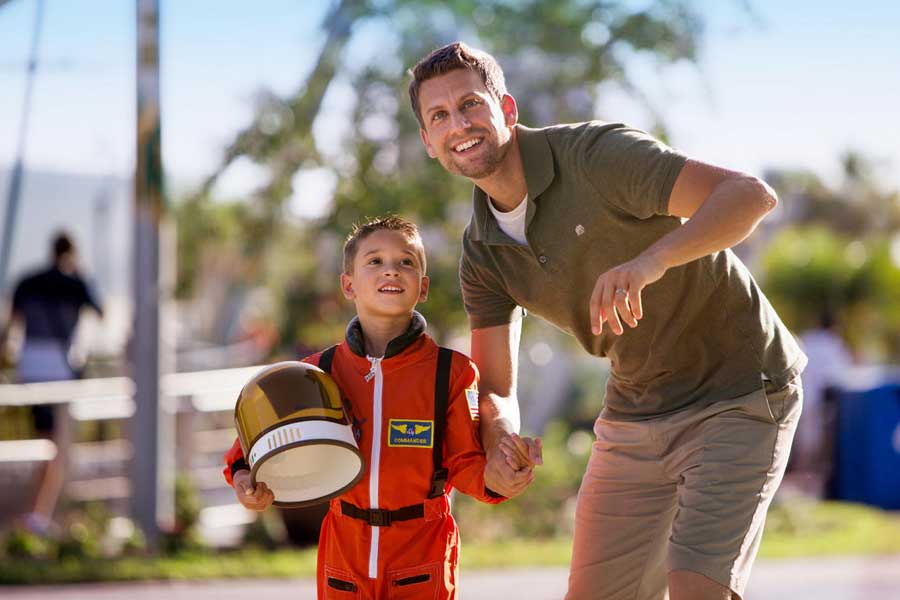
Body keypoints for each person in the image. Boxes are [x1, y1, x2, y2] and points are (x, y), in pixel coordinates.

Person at [408, 42, 807, 600]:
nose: (459, 124)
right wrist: (498, 440)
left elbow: (748, 195)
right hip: (636, 409)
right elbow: (495, 386)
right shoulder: (482, 253)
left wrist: (651, 261)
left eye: (471, 104)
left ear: (507, 108)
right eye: (440, 116)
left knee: (696, 587)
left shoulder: (594, 156)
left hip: (740, 390)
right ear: (429, 142)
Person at [222, 216, 513, 599]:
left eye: (406, 261)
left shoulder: (451, 373)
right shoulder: (315, 374)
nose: (391, 269)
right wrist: (245, 481)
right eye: (375, 261)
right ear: (348, 285)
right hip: (344, 556)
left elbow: (466, 465)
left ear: (423, 286)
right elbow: (249, 451)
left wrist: (500, 477)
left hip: (422, 554)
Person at [0, 232, 103, 534]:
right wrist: (82, 275)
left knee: (41, 439)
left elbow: (11, 328)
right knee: (54, 444)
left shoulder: (27, 281)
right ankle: (38, 514)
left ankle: (38, 512)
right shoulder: (76, 283)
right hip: (58, 372)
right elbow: (101, 313)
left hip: (29, 368)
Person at [795, 310, 852, 482]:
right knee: (823, 436)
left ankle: (801, 473)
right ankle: (815, 476)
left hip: (802, 393)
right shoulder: (835, 343)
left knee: (805, 435)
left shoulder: (806, 339)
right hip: (824, 397)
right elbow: (843, 373)